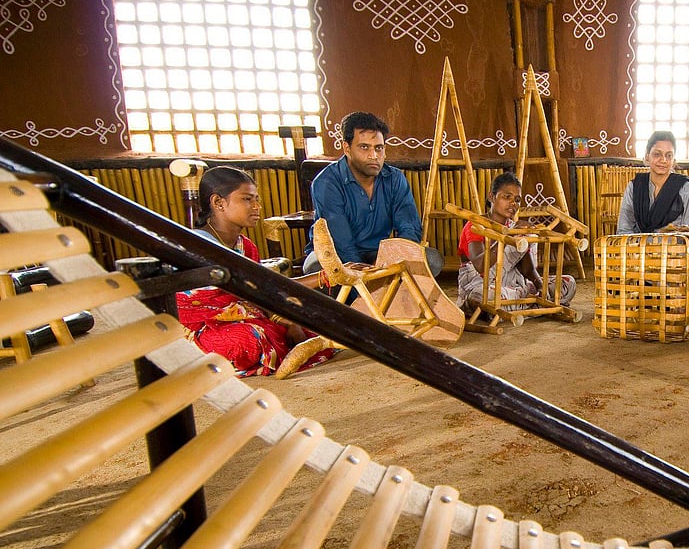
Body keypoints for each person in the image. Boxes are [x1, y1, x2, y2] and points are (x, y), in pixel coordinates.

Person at [177, 166, 335, 377]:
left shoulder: (246, 246)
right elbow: (267, 286)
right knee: (248, 340)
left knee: (315, 329)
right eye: (247, 199)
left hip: (246, 315)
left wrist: (288, 321)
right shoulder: (200, 245)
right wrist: (325, 275)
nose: (257, 206)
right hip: (203, 327)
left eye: (256, 199)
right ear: (218, 203)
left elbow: (260, 293)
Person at [301, 111, 440, 275]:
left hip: (379, 255)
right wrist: (367, 274)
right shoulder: (327, 182)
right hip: (335, 255)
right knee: (318, 269)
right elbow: (340, 242)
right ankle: (366, 297)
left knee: (432, 260)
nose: (373, 156)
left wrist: (389, 259)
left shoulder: (394, 179)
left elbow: (410, 228)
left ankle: (380, 295)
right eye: (364, 147)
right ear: (347, 148)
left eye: (378, 148)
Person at [457, 172, 576, 312]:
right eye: (507, 197)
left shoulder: (513, 227)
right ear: (491, 197)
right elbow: (480, 266)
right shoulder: (475, 225)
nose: (513, 203)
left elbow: (527, 269)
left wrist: (541, 287)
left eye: (517, 199)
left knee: (568, 283)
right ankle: (526, 303)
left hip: (510, 284)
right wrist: (508, 238)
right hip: (480, 283)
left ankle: (525, 302)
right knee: (485, 296)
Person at [616, 131, 689, 234]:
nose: (663, 160)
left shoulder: (687, 189)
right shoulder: (634, 187)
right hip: (639, 248)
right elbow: (624, 230)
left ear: (673, 160)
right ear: (647, 156)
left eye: (669, 155)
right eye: (657, 154)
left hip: (676, 249)